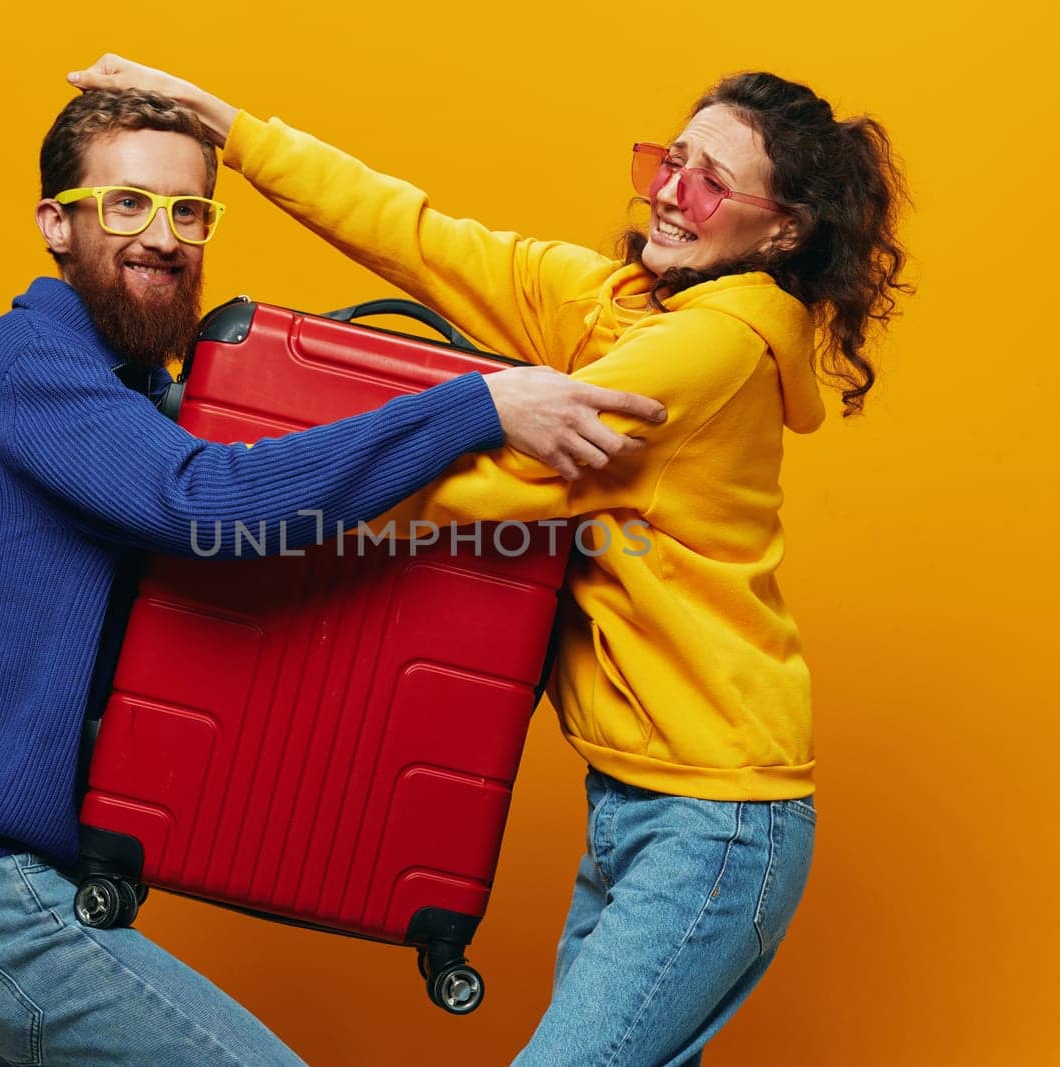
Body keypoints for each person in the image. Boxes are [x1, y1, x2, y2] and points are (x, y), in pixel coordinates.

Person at [66, 55, 910, 1066]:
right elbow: (423, 240)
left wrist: (239, 495)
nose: (670, 195)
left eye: (711, 181)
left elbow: (489, 481)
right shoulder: (621, 305)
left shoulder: (708, 353)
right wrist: (232, 132)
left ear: (782, 231)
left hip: (716, 821)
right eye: (669, 160)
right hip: (644, 802)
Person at [0, 88, 668, 1066]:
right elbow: (209, 503)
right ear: (55, 224)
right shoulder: (25, 366)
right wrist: (479, 406)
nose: (162, 236)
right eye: (126, 204)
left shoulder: (129, 399)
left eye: (188, 211)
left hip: (8, 888)